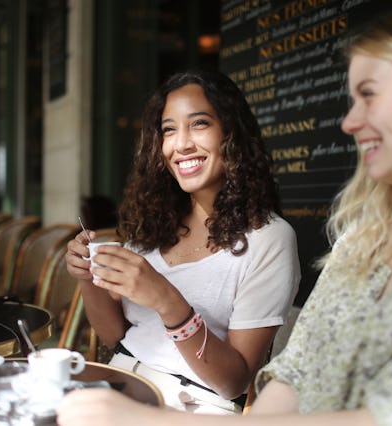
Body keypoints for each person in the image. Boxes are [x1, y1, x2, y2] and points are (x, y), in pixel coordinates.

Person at [56, 5, 392, 426]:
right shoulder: (359, 242)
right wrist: (87, 277)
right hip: (124, 383)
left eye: (369, 95)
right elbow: (291, 379)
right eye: (168, 130)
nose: (349, 122)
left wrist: (152, 413)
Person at [64, 69, 301, 413]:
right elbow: (115, 335)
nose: (181, 144)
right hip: (117, 385)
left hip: (194, 407)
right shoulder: (156, 223)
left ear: (231, 133)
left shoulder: (269, 238)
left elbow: (233, 381)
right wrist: (88, 277)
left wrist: (167, 301)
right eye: (169, 130)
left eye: (200, 124)